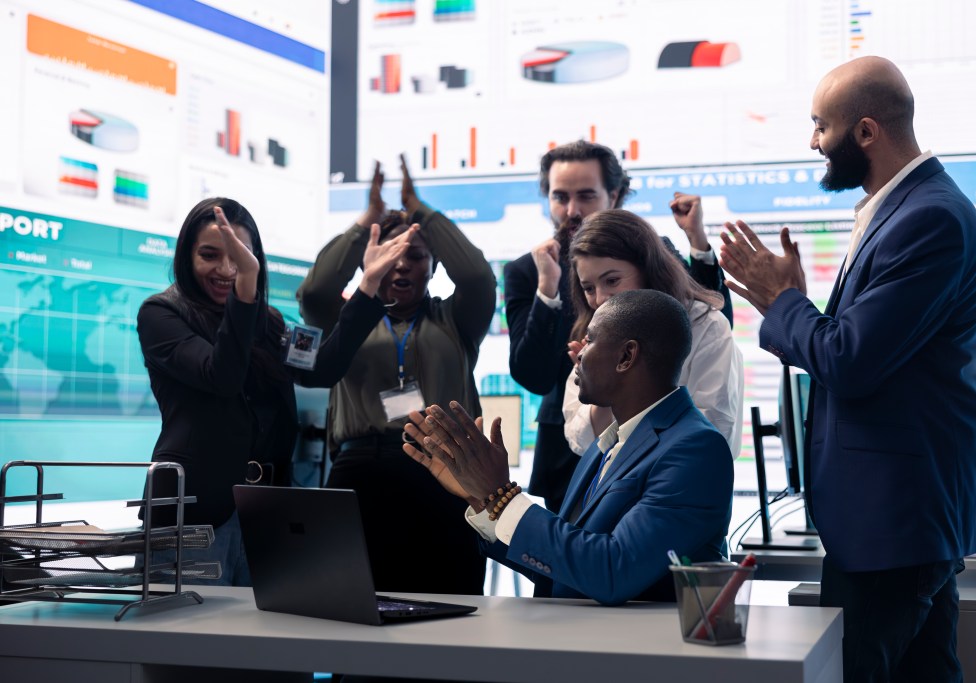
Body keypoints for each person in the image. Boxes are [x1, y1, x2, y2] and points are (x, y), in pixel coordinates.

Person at [719, 56, 976, 681]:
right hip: (896, 523)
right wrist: (790, 305)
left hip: (895, 524)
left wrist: (782, 301)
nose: (813, 141)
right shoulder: (902, 209)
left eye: (821, 125)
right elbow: (858, 349)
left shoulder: (929, 218)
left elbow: (848, 360)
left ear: (866, 132)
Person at [403, 289, 734, 605]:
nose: (578, 354)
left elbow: (613, 571)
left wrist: (501, 494)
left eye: (590, 340)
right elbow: (564, 567)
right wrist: (484, 499)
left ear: (626, 356)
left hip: (640, 645)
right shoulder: (606, 444)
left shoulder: (695, 448)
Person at [137, 197, 378, 585]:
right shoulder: (162, 314)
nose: (226, 268)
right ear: (186, 256)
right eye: (210, 255)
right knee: (190, 625)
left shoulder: (268, 322)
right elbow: (222, 375)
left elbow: (323, 369)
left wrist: (368, 289)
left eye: (239, 256)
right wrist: (246, 290)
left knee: (259, 624)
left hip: (266, 513)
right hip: (193, 514)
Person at [296, 156, 494, 596]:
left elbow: (477, 275)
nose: (402, 265)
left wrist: (422, 212)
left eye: (416, 255)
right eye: (390, 254)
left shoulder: (455, 319)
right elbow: (315, 292)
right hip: (361, 472)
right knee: (351, 603)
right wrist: (366, 221)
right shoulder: (346, 320)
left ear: (433, 266)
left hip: (446, 470)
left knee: (453, 601)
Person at [504, 139, 732, 515]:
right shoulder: (528, 271)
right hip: (571, 454)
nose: (572, 210)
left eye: (585, 195)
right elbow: (533, 375)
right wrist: (547, 291)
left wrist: (698, 243)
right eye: (560, 197)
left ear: (614, 195)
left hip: (665, 464)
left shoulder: (655, 253)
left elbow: (705, 321)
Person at [562, 209, 743, 458]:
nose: (601, 299)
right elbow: (580, 441)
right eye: (589, 288)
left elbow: (713, 431)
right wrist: (600, 389)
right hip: (615, 479)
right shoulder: (595, 332)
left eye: (612, 281)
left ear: (648, 269)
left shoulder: (706, 326)